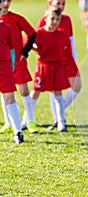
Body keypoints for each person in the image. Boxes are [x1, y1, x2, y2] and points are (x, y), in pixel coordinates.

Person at [36, 0, 81, 131]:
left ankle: (58, 112)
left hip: (67, 59)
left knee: (77, 86)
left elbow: (70, 40)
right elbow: (37, 39)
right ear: (50, 3)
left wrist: (74, 58)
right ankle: (58, 119)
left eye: (63, 4)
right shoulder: (43, 19)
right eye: (58, 3)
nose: (61, 6)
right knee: (55, 89)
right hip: (53, 61)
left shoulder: (66, 19)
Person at [29, 5, 71, 132]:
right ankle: (26, 120)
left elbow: (67, 50)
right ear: (45, 17)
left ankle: (61, 122)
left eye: (57, 19)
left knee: (57, 93)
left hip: (57, 67)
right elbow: (28, 44)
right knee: (35, 92)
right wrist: (36, 50)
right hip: (43, 67)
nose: (54, 22)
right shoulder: (39, 33)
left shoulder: (62, 35)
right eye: (52, 18)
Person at [0, 0, 38, 134]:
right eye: (3, 1)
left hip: (17, 62)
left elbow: (32, 34)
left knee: (24, 91)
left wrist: (25, 52)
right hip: (3, 64)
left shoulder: (16, 18)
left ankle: (30, 120)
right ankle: (8, 122)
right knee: (4, 93)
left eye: (8, 1)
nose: (5, 4)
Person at [0, 0, 24, 144]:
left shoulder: (7, 28)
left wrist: (12, 66)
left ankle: (18, 132)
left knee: (9, 98)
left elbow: (11, 50)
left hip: (4, 66)